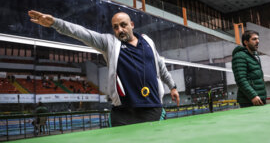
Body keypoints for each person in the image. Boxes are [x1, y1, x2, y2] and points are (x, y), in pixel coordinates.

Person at [28, 10, 180, 126]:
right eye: (115, 27)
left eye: (123, 25)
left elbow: (160, 65)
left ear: (132, 25)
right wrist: (55, 23)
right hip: (124, 113)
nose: (119, 30)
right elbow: (82, 33)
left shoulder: (148, 41)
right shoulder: (110, 43)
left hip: (153, 109)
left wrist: (172, 86)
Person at [232, 30, 266, 107]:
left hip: (259, 98)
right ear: (246, 42)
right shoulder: (239, 56)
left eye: (258, 39)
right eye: (254, 39)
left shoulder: (255, 56)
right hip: (249, 100)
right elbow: (240, 79)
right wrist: (253, 96)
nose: (258, 41)